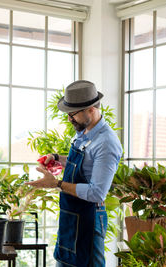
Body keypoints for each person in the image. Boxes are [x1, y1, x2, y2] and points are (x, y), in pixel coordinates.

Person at [26, 80, 123, 267]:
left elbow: (97, 193)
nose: (69, 119)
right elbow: (84, 161)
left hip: (88, 219)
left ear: (91, 110)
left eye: (73, 114)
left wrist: (55, 183)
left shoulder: (107, 143)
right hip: (70, 217)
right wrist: (55, 158)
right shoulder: (84, 131)